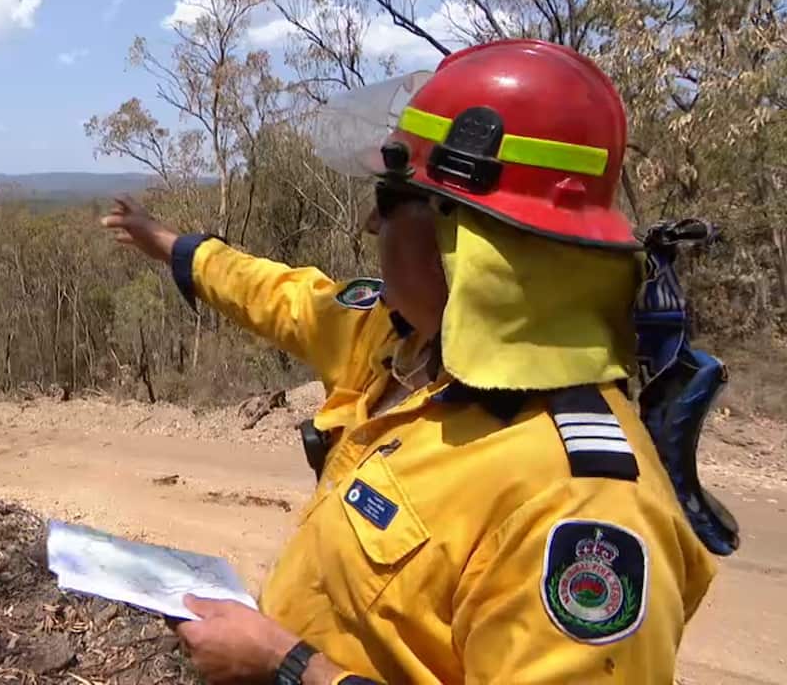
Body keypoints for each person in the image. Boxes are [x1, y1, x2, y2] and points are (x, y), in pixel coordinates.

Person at [101, 39, 722, 684]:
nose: (371, 223)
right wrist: (170, 244)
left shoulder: (581, 502)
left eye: (391, 199)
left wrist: (286, 666)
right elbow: (280, 294)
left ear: (456, 240)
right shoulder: (401, 341)